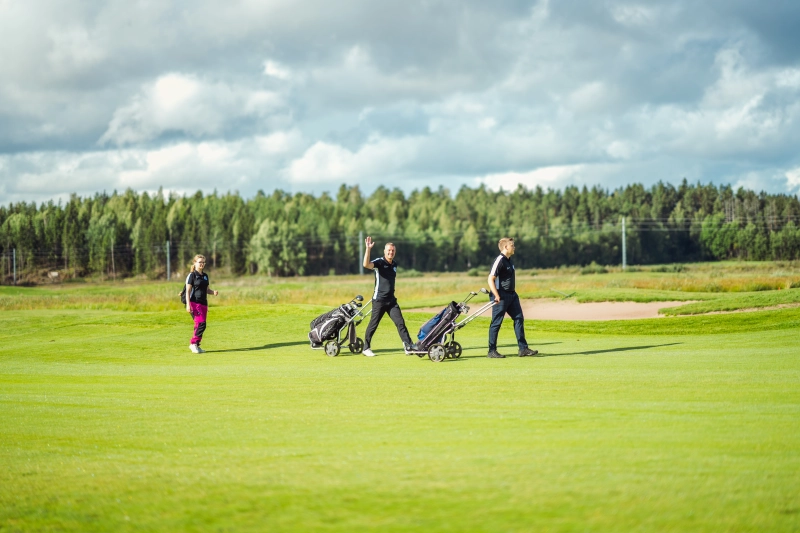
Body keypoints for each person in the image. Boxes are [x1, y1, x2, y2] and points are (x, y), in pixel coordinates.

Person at [361, 236, 418, 357]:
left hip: (391, 301)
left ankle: (408, 346)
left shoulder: (395, 264)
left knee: (400, 322)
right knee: (373, 324)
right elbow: (366, 264)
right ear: (385, 251)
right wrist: (368, 249)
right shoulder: (380, 262)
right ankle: (366, 348)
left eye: (393, 250)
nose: (391, 252)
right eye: (389, 250)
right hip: (379, 300)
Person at [487, 238, 539, 359]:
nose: (514, 247)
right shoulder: (499, 260)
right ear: (505, 247)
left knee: (519, 318)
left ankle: (523, 348)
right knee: (496, 322)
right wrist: (496, 295)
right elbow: (490, 279)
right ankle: (491, 351)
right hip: (500, 295)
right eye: (512, 245)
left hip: (512, 295)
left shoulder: (509, 260)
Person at [185, 254, 219, 354]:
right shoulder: (192, 275)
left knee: (198, 324)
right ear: (194, 263)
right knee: (201, 324)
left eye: (203, 262)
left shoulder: (205, 276)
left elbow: (207, 290)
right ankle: (193, 344)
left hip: (203, 303)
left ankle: (197, 345)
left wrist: (213, 292)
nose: (202, 264)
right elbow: (187, 291)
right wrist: (188, 305)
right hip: (194, 303)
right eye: (200, 262)